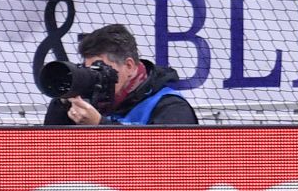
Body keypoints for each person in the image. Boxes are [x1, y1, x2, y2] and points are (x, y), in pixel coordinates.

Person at [43, 23, 198, 125]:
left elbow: (160, 159)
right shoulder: (91, 103)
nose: (94, 76)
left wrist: (100, 125)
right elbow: (49, 152)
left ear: (129, 66)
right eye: (88, 70)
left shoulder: (171, 107)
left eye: (100, 68)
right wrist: (63, 103)